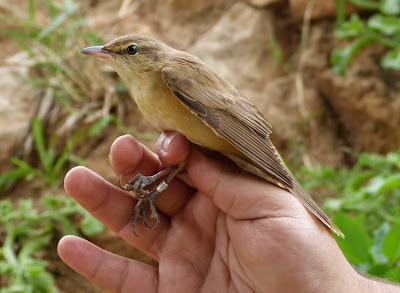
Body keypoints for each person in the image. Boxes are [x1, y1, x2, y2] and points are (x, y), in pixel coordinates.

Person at [58, 132, 400, 292]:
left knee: (185, 156)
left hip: (225, 152)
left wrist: (331, 287)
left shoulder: (170, 74)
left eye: (130, 51)